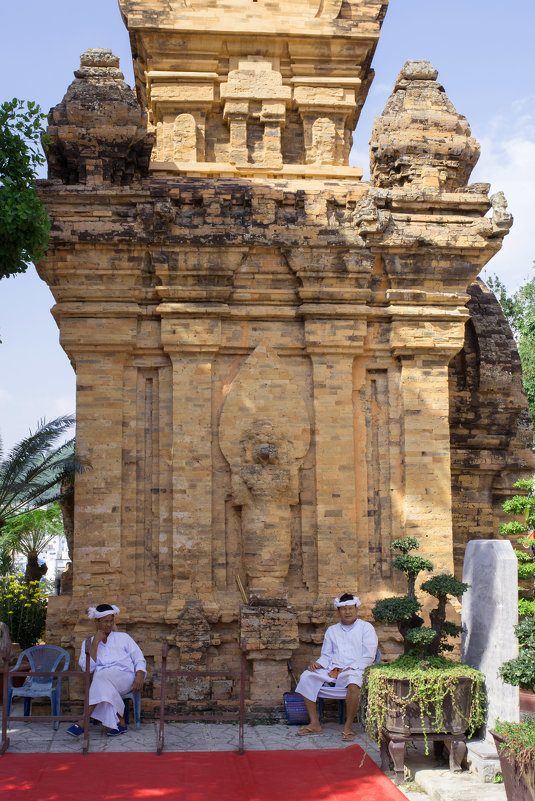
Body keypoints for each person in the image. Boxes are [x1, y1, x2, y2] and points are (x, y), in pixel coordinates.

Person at [295, 592, 378, 741]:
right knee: (306, 677)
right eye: (344, 609)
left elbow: (369, 655)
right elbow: (326, 655)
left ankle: (348, 726)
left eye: (350, 608)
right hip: (332, 670)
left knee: (354, 683)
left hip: (356, 670)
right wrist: (319, 664)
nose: (347, 612)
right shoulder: (332, 630)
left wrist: (352, 667)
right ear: (338, 611)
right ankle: (315, 723)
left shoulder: (366, 628)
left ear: (356, 609)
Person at [67, 603, 146, 737]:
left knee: (100, 678)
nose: (109, 624)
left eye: (111, 621)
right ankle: (120, 723)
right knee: (101, 681)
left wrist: (139, 674)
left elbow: (139, 658)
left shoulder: (123, 638)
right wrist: (95, 644)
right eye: (105, 621)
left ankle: (83, 720)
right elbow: (87, 670)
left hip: (125, 678)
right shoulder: (88, 643)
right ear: (96, 622)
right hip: (103, 680)